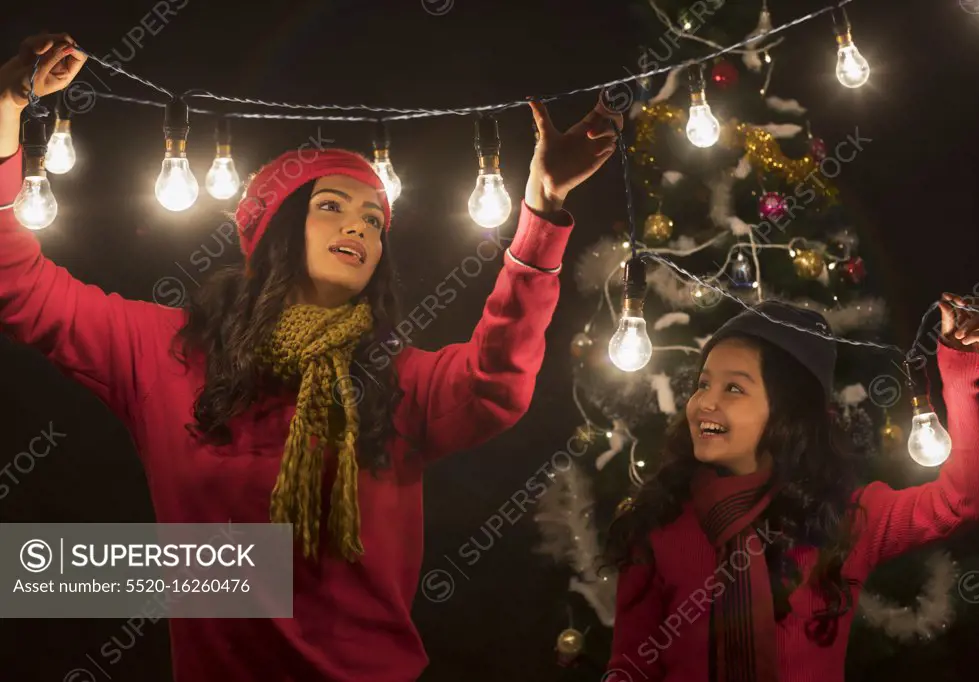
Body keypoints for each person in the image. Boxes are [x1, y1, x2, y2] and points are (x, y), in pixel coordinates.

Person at [0, 32, 623, 682]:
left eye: (374, 220)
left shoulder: (396, 379)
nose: (359, 226)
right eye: (331, 207)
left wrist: (544, 209)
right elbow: (15, 283)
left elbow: (496, 382)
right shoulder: (164, 350)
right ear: (274, 229)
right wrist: (7, 106)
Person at [603, 297, 979, 682]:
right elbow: (631, 665)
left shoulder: (847, 517)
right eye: (703, 384)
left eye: (734, 389)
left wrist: (963, 381)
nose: (705, 401)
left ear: (788, 411)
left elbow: (963, 501)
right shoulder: (659, 522)